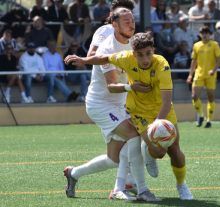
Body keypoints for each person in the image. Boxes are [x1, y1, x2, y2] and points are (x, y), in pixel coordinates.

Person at [65, 32, 194, 200]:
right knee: (158, 152)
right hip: (139, 112)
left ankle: (181, 185)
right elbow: (104, 58)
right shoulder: (125, 57)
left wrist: (158, 125)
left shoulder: (162, 65)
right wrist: (84, 60)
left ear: (153, 50)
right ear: (133, 54)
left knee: (175, 151)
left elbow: (166, 100)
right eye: (140, 55)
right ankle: (145, 163)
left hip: (162, 110)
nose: (145, 59)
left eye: (148, 53)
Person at [63, 8, 160, 202]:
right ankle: (141, 190)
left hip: (121, 104)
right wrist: (134, 88)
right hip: (101, 104)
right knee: (134, 134)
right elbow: (113, 86)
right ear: (114, 24)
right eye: (126, 21)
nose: (131, 24)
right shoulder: (107, 48)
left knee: (114, 159)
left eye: (132, 20)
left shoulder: (134, 44)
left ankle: (74, 173)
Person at [186, 26, 220, 128]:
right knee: (194, 96)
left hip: (211, 75)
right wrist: (190, 75)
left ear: (210, 34)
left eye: (207, 32)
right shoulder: (196, 45)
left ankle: (209, 120)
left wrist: (213, 70)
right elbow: (194, 61)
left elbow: (219, 59)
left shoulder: (214, 45)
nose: (205, 34)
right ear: (200, 34)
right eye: (203, 33)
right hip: (199, 74)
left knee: (210, 98)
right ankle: (201, 115)